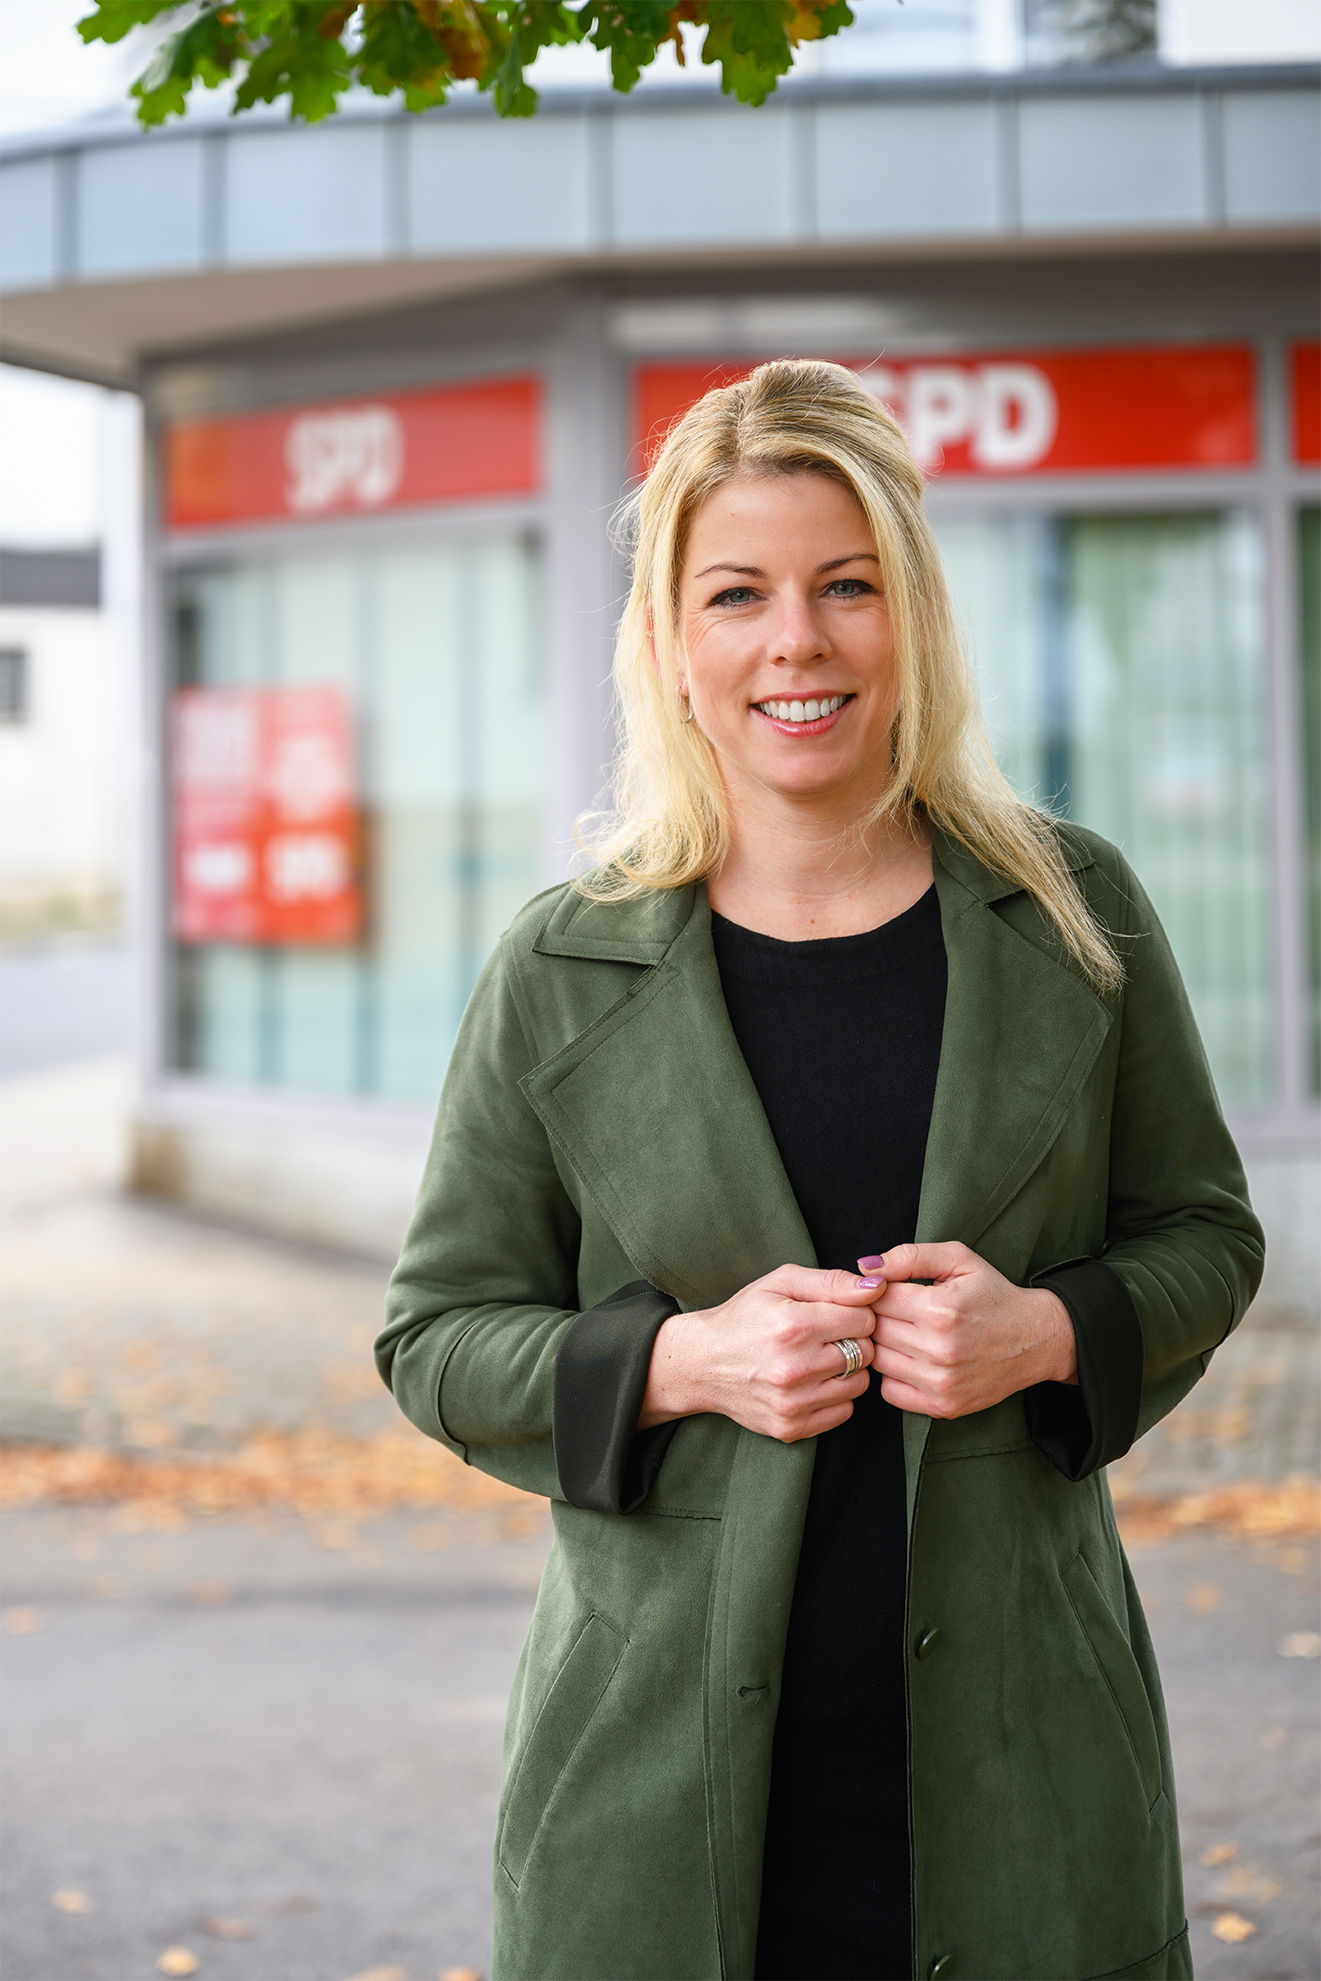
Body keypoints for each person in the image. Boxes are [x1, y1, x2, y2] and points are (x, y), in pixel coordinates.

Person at [377, 359, 1264, 1981]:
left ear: (910, 614)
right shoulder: (562, 967)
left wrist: (1045, 1332)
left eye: (845, 585)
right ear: (671, 642)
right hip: (654, 1795)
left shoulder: (1073, 915)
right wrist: (681, 1361)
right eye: (738, 593)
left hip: (1024, 1773)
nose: (796, 640)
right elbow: (435, 1335)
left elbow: (1201, 1232)